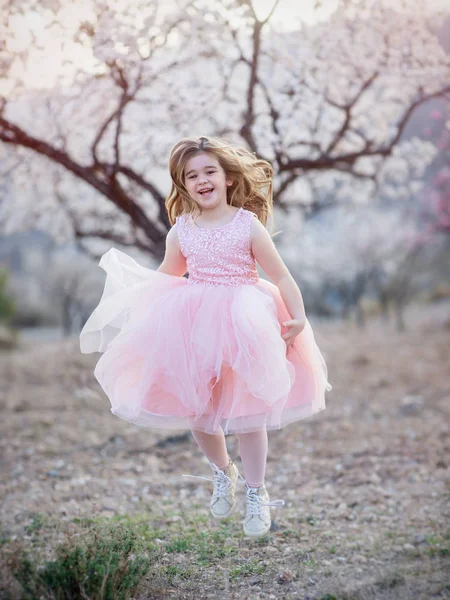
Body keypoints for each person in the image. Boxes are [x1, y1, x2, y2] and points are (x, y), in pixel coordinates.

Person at [80, 135, 332, 538]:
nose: (202, 180)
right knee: (196, 407)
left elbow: (280, 274)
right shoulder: (181, 230)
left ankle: (256, 491)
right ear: (183, 184)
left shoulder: (247, 225)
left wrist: (298, 316)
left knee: (250, 412)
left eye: (209, 171)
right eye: (191, 175)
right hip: (195, 323)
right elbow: (167, 276)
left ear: (228, 178)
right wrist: (140, 312)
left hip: (246, 320)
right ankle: (222, 471)